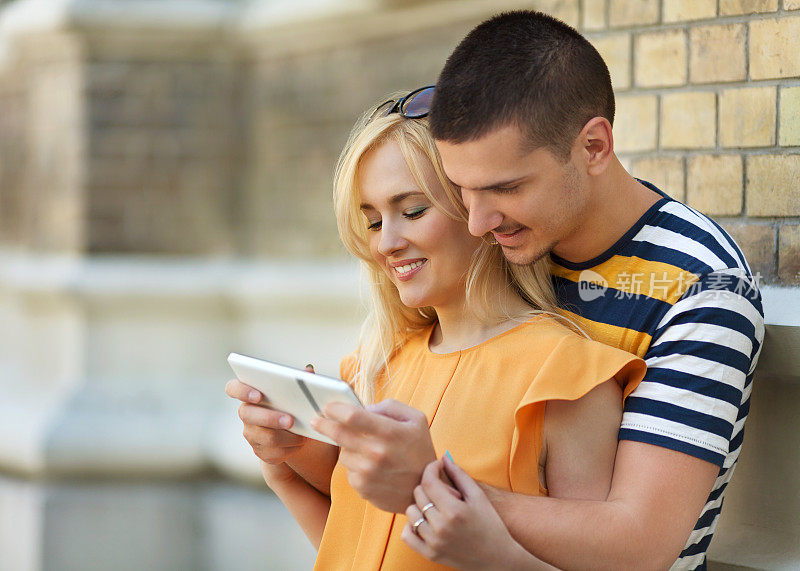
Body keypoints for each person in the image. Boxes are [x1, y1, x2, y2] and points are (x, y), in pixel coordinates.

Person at [398, 10, 763, 571]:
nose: (476, 222)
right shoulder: (499, 250)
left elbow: (639, 542)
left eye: (506, 188)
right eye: (461, 190)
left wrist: (430, 487)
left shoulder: (703, 288)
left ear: (594, 146)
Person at [227, 90, 646, 569]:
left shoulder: (569, 377)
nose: (386, 242)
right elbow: (359, 549)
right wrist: (286, 465)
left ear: (479, 210)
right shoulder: (376, 367)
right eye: (370, 220)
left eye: (412, 212)